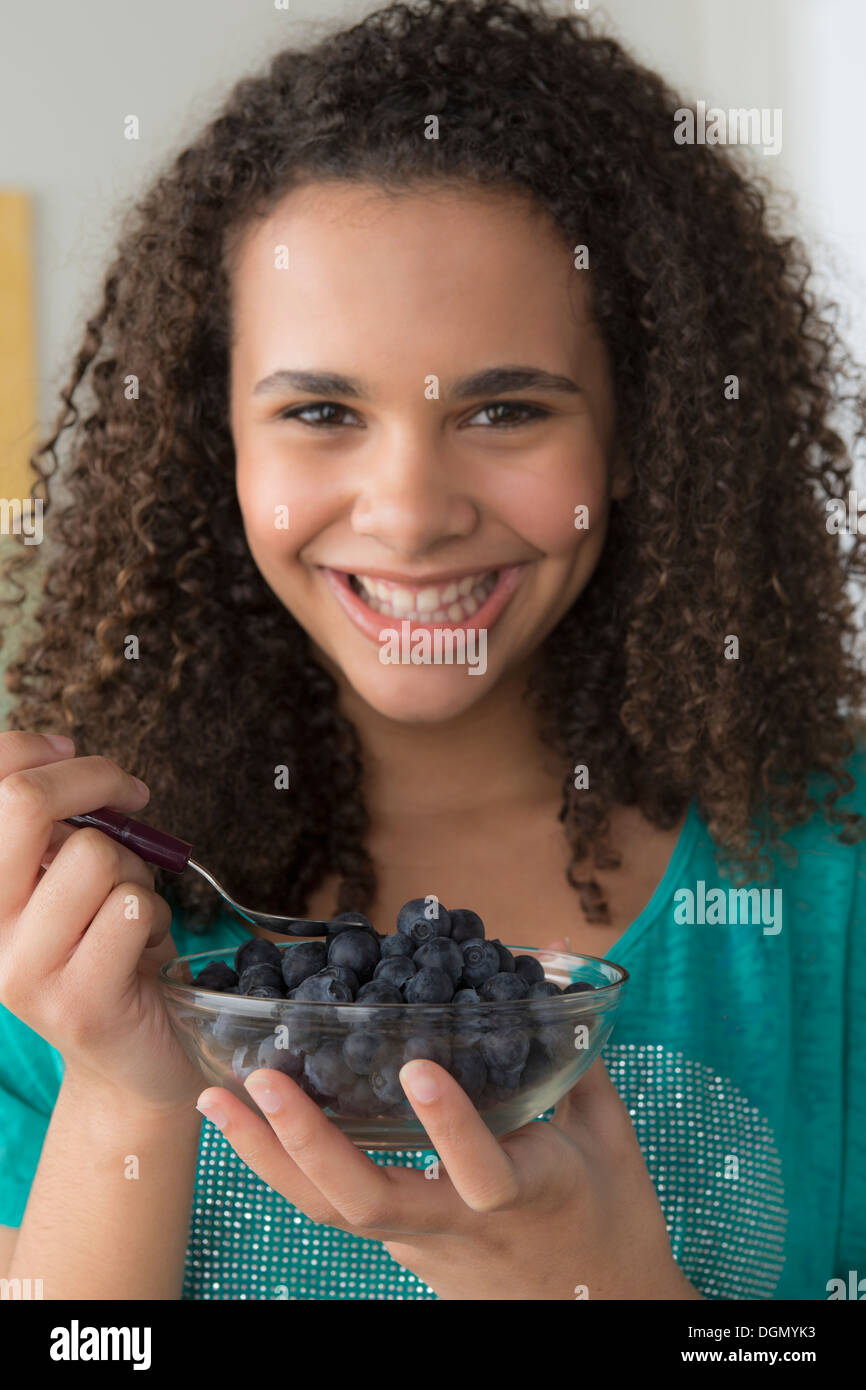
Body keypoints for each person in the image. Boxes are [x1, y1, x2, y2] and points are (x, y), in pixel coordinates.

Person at [0, 0, 864, 1301]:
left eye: (505, 408)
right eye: (320, 411)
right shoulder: (62, 925)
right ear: (211, 442)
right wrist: (126, 1091)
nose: (409, 513)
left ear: (642, 435)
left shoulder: (830, 884)